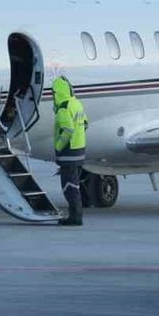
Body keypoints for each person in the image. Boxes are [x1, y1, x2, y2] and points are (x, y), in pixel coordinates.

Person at [51, 76, 88, 226]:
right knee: (75, 184)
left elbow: (67, 130)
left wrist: (58, 147)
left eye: (53, 93)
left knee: (69, 186)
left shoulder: (63, 108)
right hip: (80, 149)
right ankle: (76, 215)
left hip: (69, 152)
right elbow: (85, 123)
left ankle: (75, 217)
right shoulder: (76, 103)